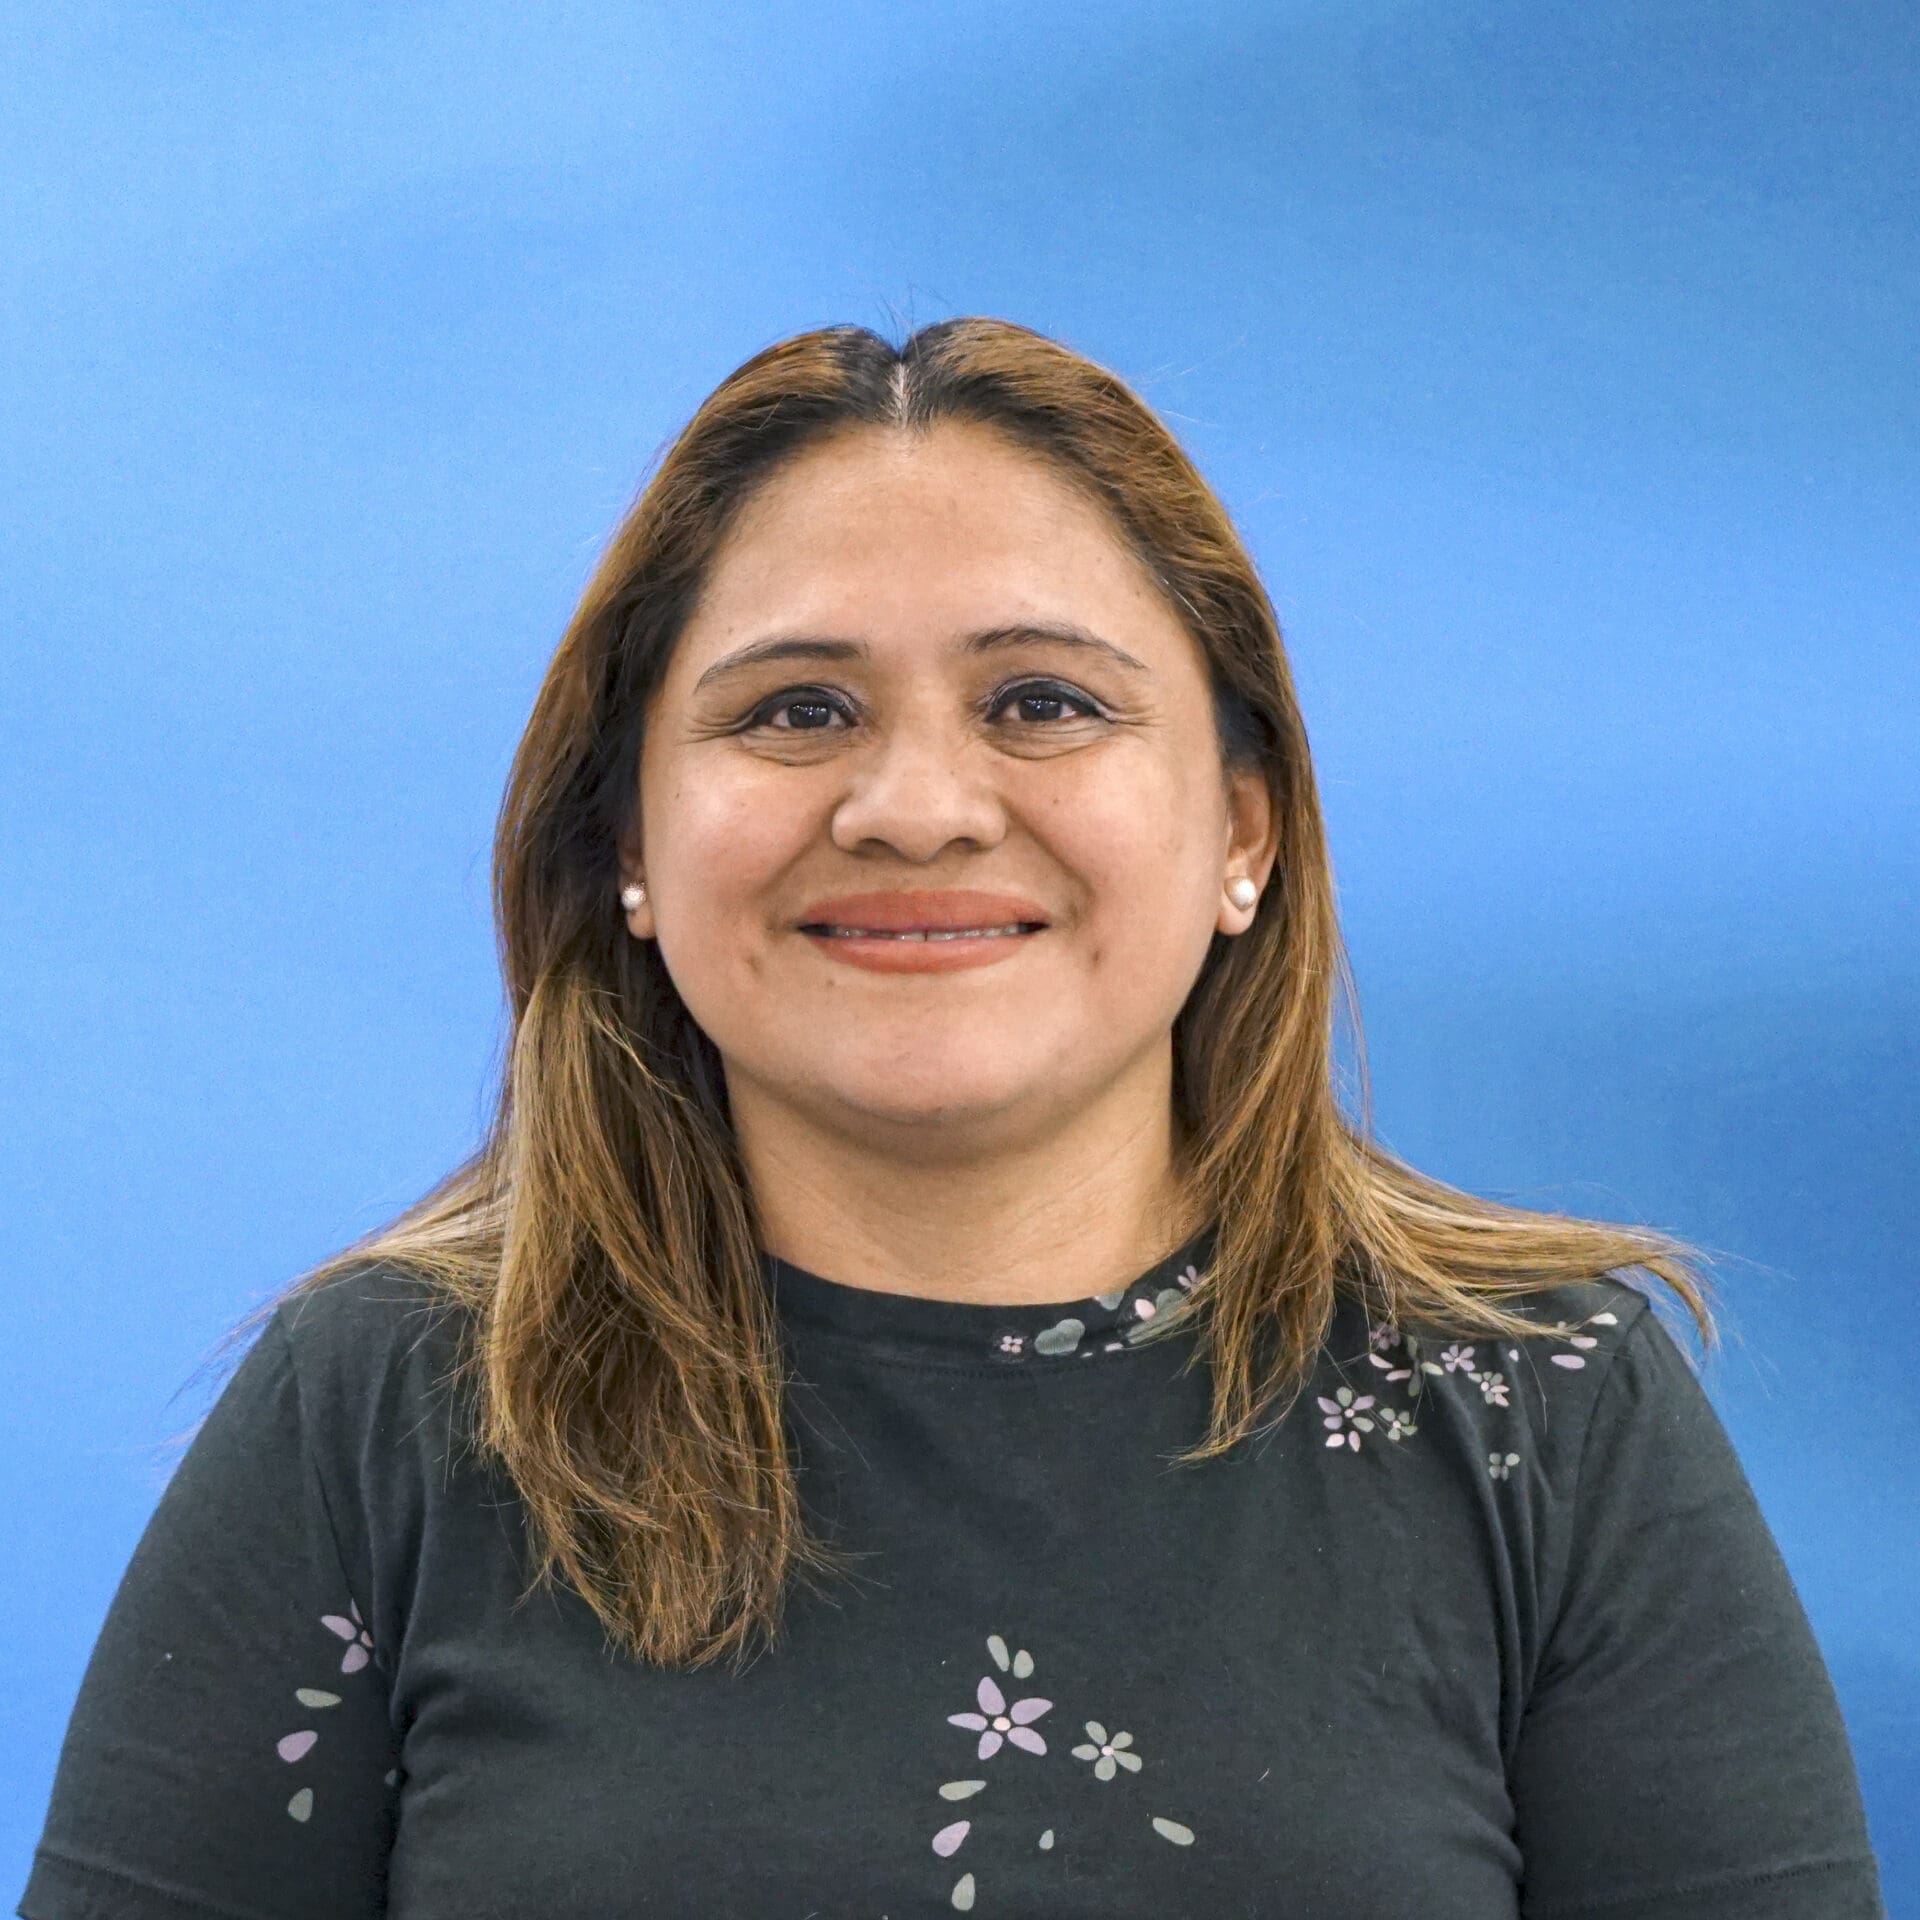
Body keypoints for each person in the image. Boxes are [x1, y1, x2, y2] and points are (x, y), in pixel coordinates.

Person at [19, 319, 1887, 1920]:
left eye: (1044, 702)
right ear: (631, 850)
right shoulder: (384, 1417)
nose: (917, 805)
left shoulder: (1543, 1412)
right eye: (797, 712)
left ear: (1243, 829)